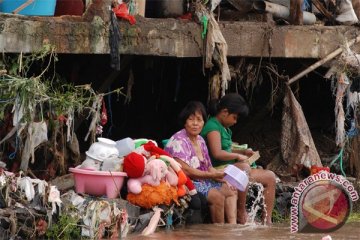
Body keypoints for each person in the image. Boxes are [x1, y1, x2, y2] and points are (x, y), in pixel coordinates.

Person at [201, 93, 276, 225]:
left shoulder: (225, 128)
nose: (235, 122)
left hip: (231, 168)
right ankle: (241, 212)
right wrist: (238, 156)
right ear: (224, 112)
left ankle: (267, 221)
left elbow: (227, 148)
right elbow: (217, 153)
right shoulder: (213, 126)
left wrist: (243, 151)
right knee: (244, 167)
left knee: (270, 176)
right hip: (217, 170)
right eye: (234, 117)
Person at [165, 101, 237, 224]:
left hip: (202, 180)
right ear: (185, 122)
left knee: (231, 191)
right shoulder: (179, 140)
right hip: (186, 182)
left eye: (199, 120)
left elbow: (209, 167)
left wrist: (224, 178)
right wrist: (213, 176)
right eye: (191, 119)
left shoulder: (200, 140)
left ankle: (232, 228)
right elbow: (187, 171)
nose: (195, 124)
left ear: (204, 122)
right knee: (216, 196)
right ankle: (220, 233)